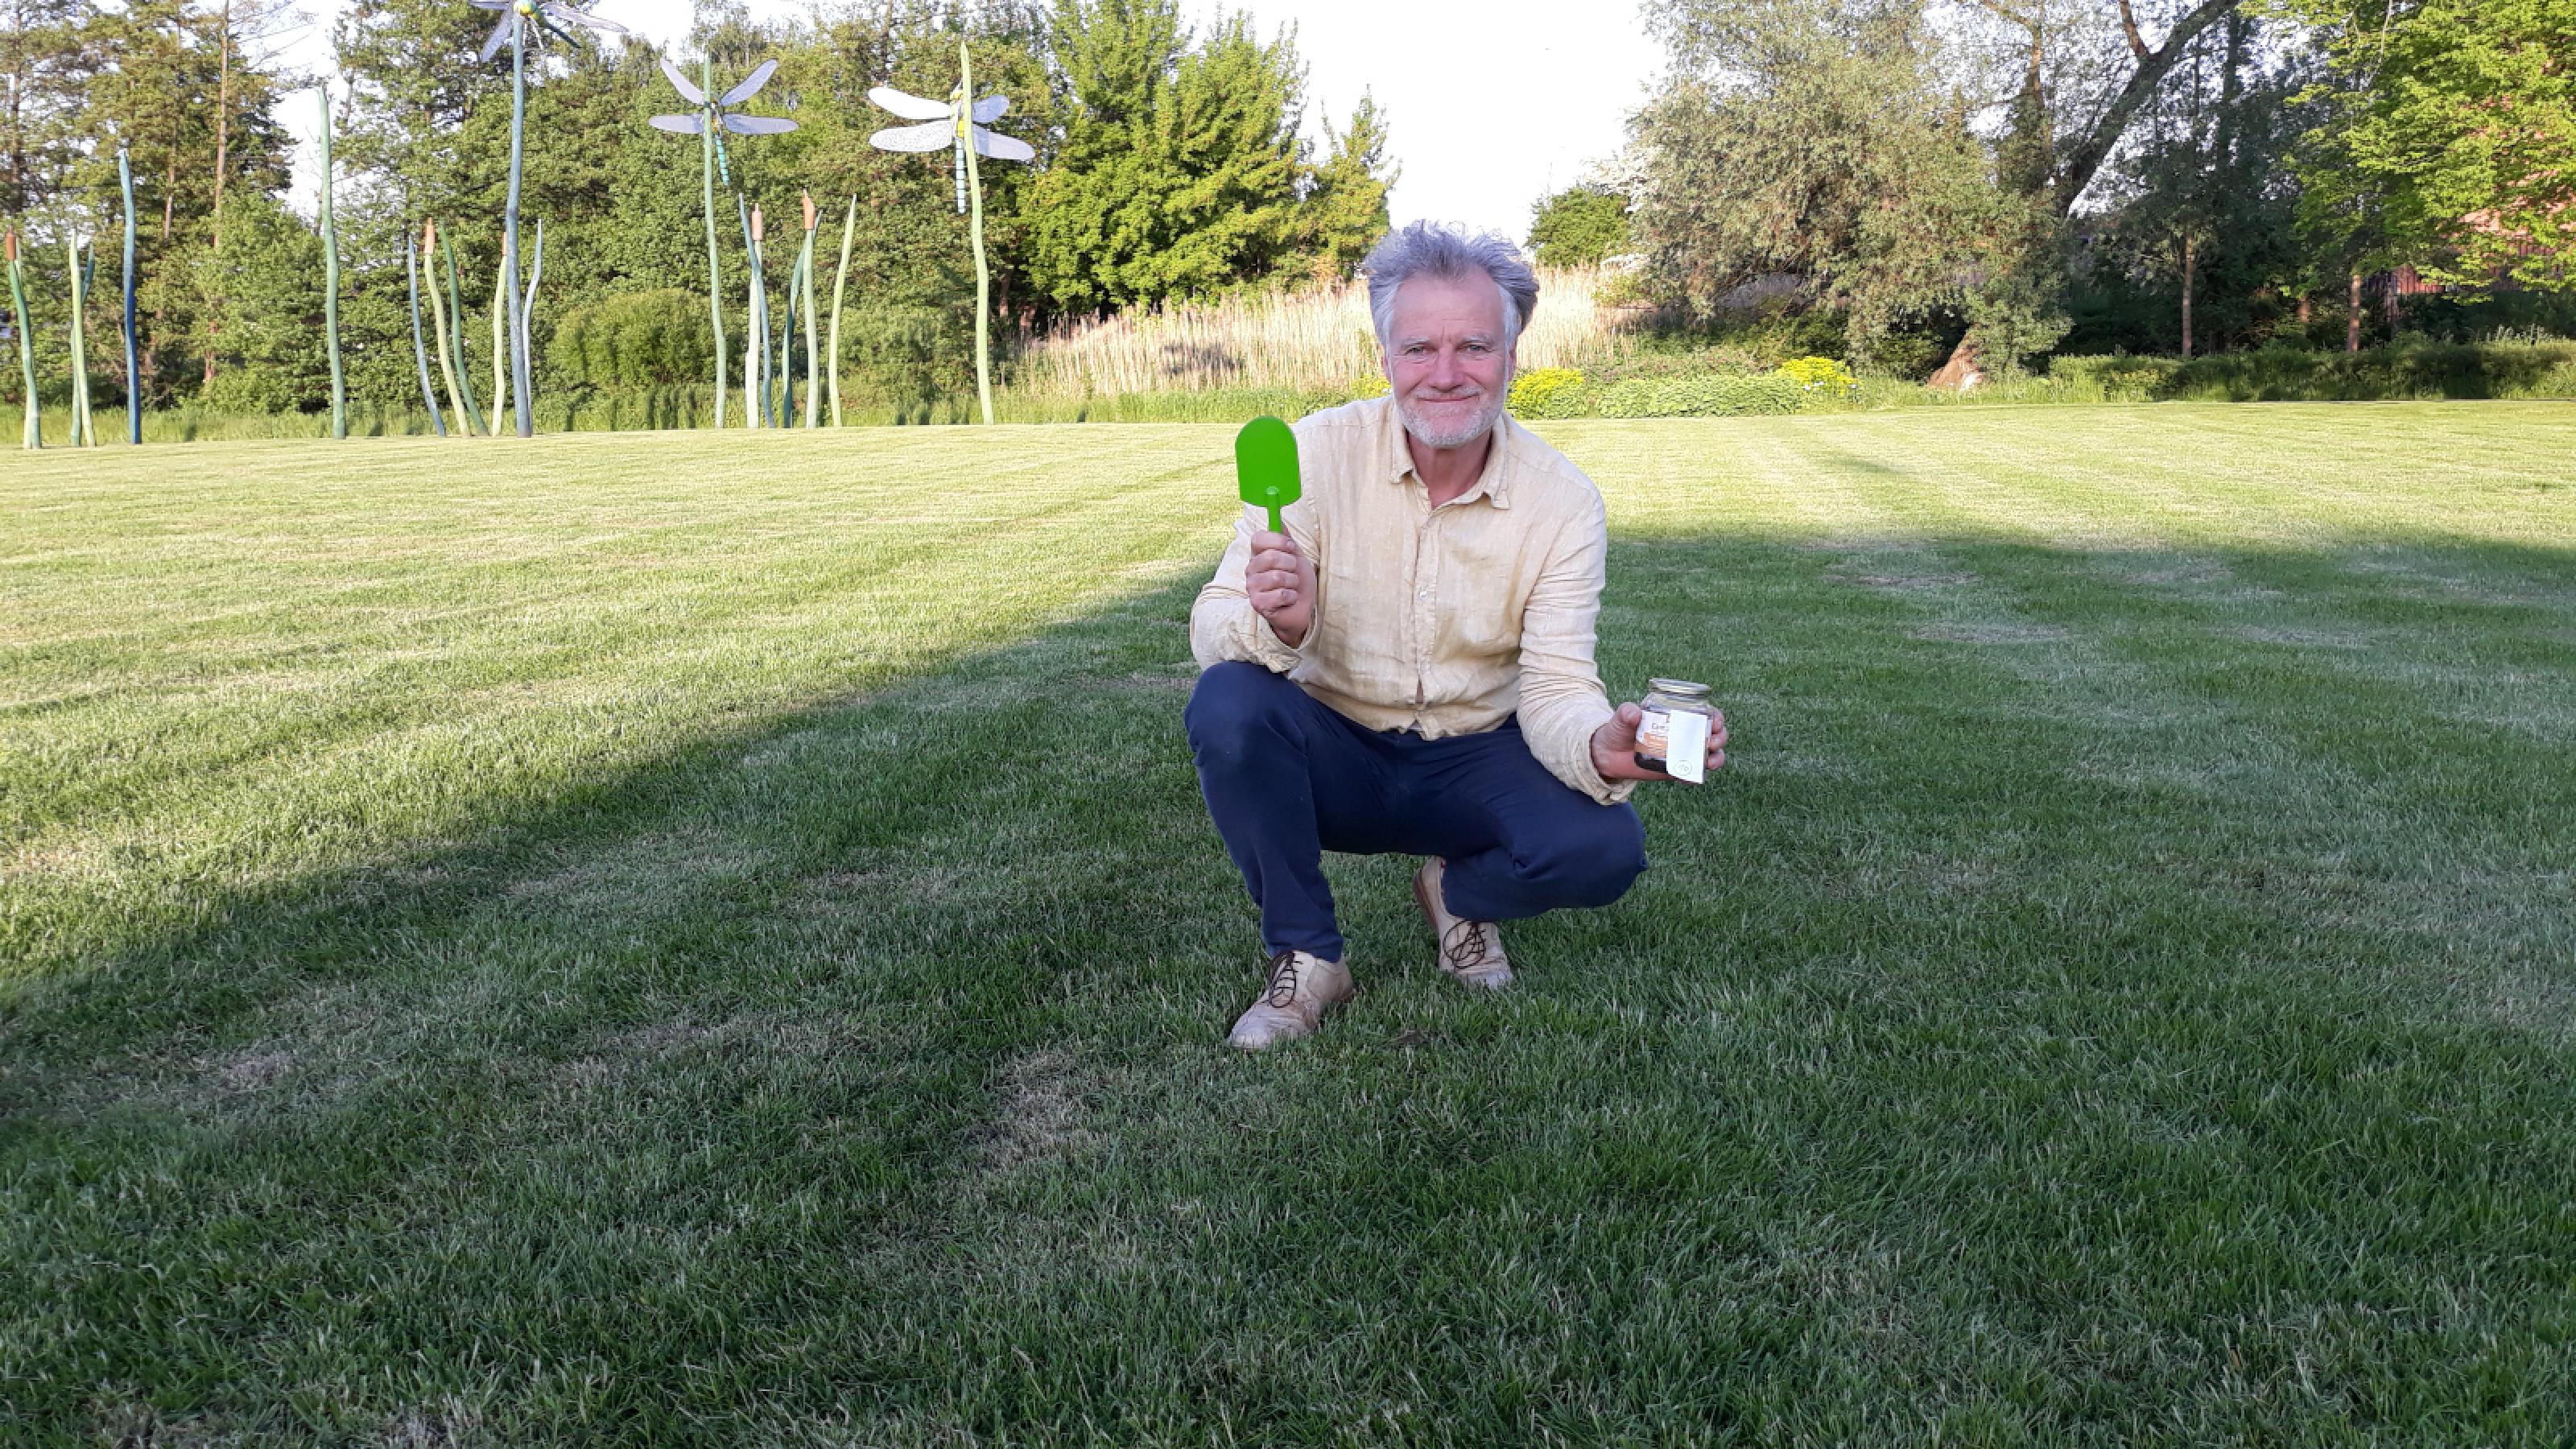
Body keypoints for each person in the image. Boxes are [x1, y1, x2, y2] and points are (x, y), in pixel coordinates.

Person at [1186, 222, 1728, 1050]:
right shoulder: (1309, 454)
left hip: (1476, 754)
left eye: (1473, 346)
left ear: (1513, 356)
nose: (1444, 375)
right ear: (1385, 358)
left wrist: (1600, 749)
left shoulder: (1562, 501)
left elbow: (1554, 683)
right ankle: (1308, 956)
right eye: (1419, 349)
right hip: (1335, 750)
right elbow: (1211, 621)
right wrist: (1279, 626)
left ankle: (1456, 895)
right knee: (1227, 700)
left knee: (1602, 848)